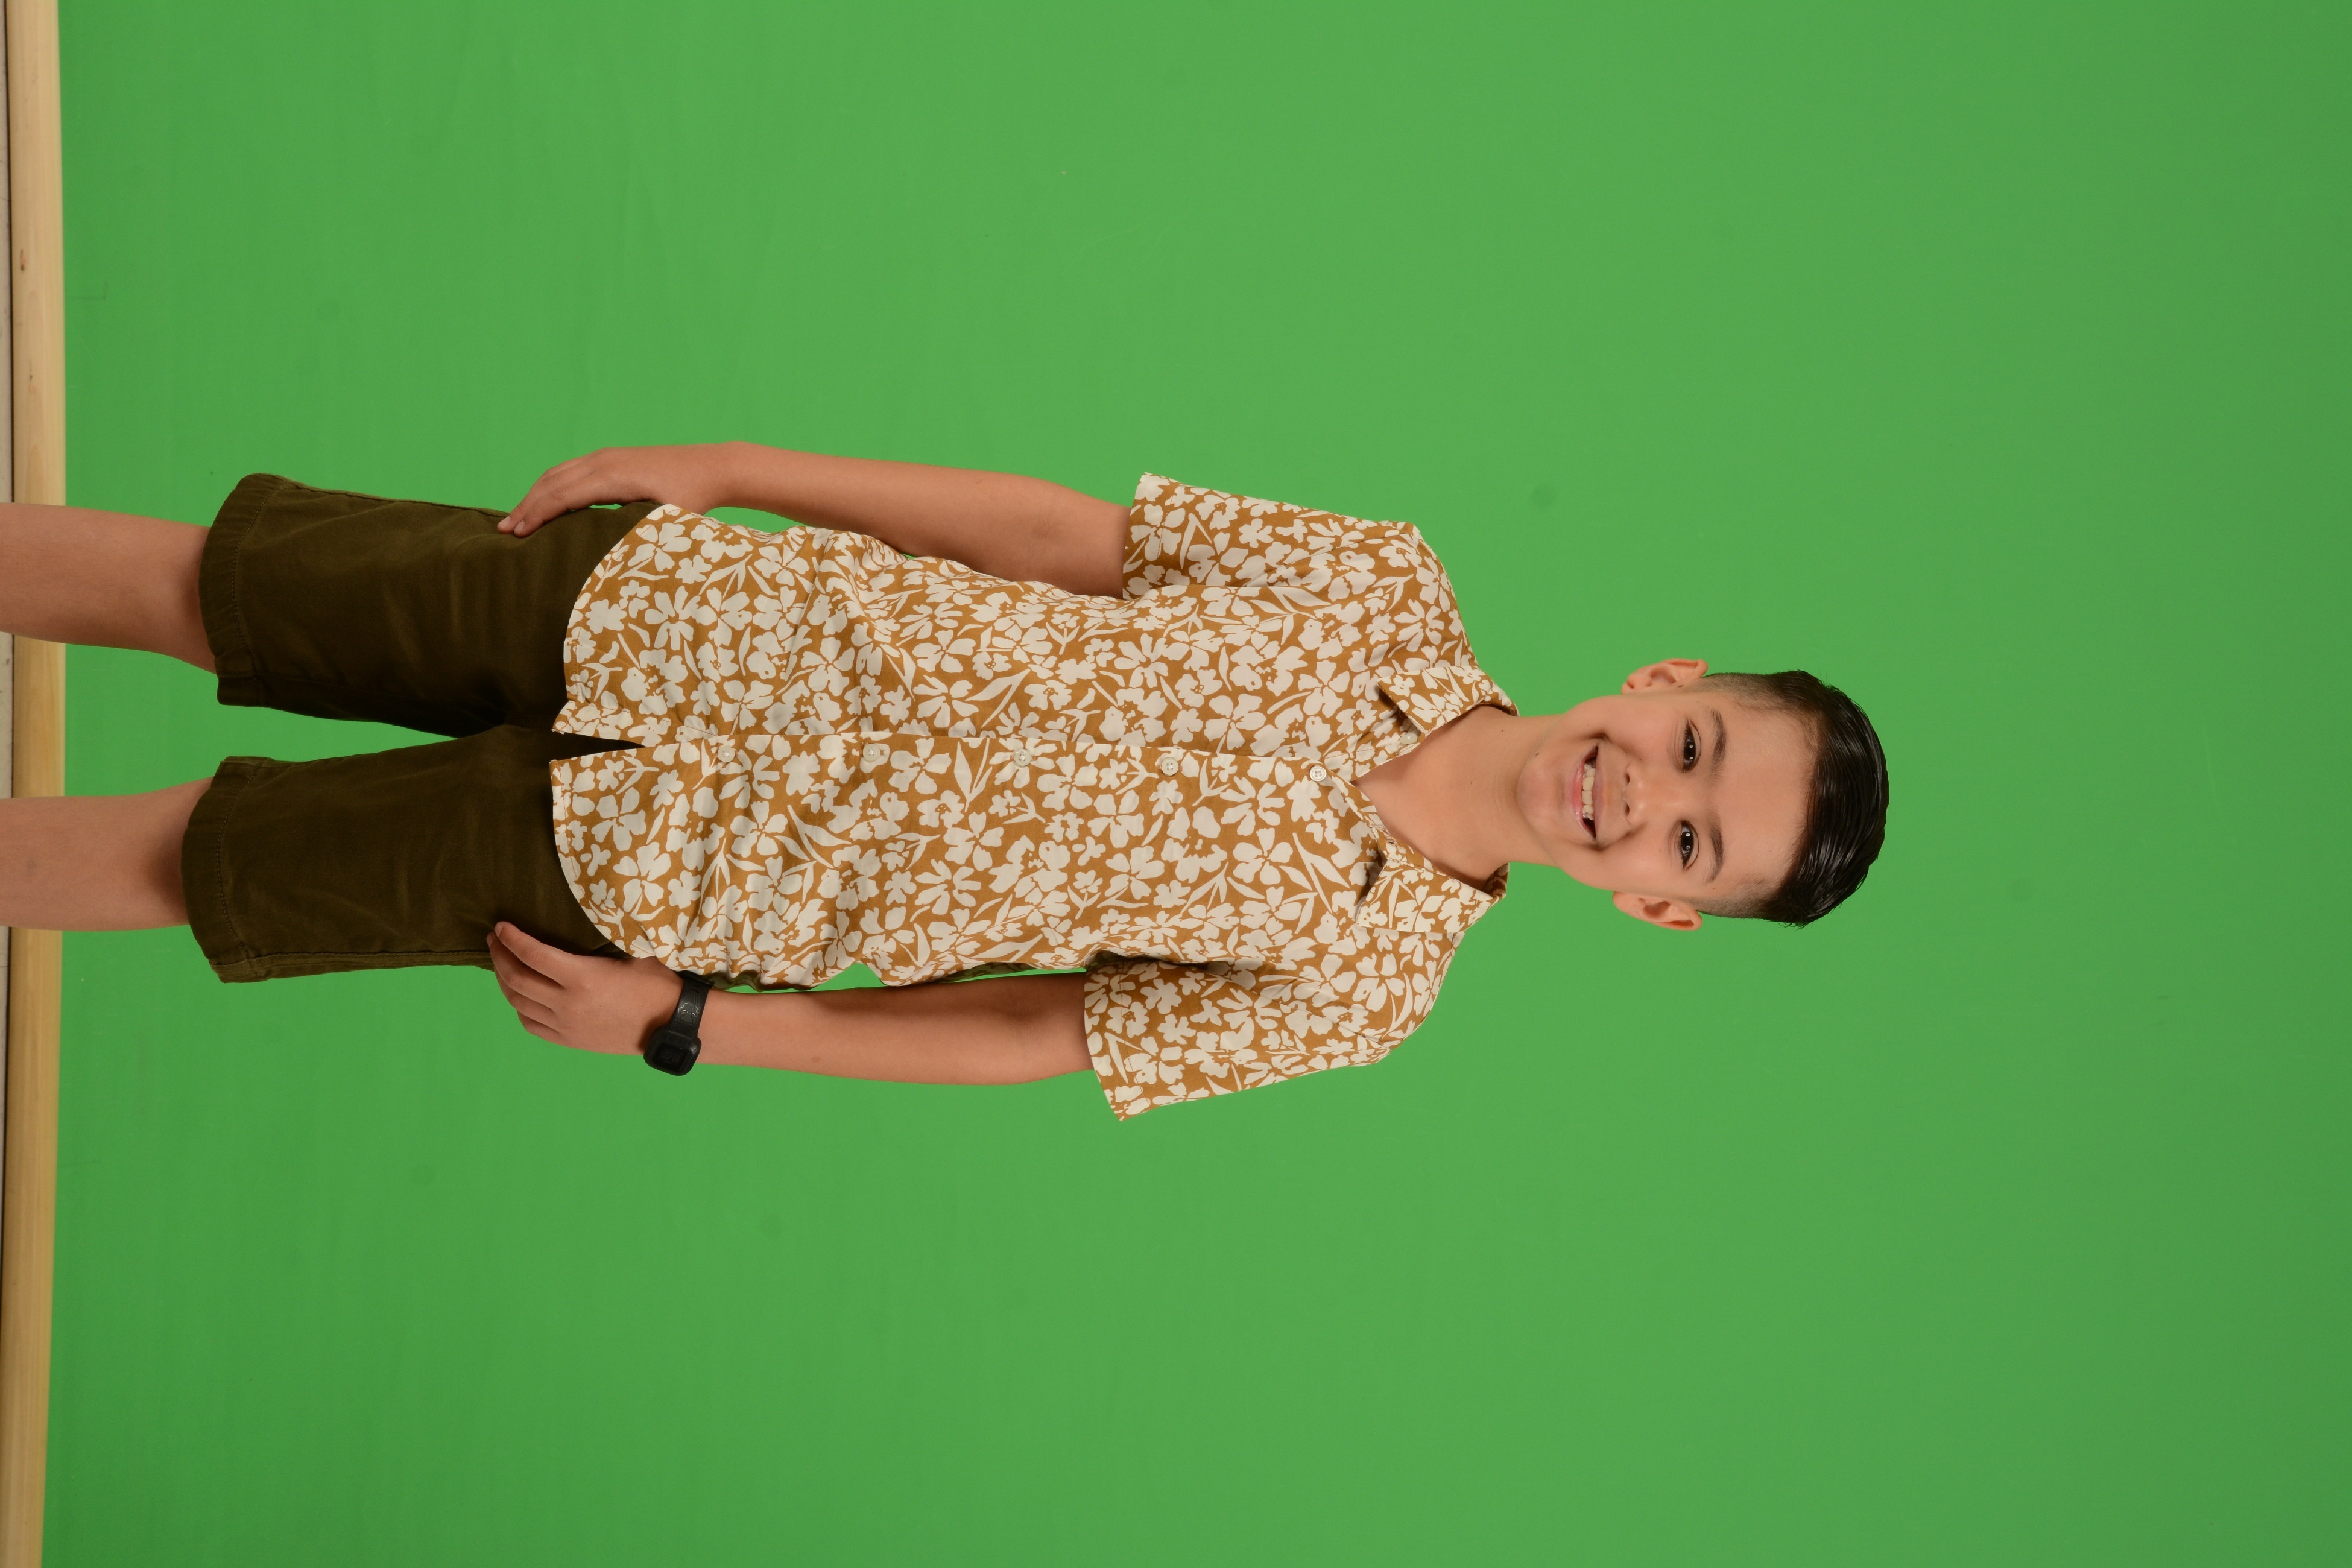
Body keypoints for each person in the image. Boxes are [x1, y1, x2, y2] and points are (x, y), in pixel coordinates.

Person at [0, 445, 1888, 1118]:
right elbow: (1058, 535)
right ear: (1667, 679)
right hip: (689, 610)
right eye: (1691, 745)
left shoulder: (1365, 991)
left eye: (1688, 841)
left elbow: (1027, 1036)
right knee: (223, 584)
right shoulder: (1382, 582)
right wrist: (731, 468)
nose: (1640, 793)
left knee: (207, 863)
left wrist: (692, 1025)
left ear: (1661, 905)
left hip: (670, 878)